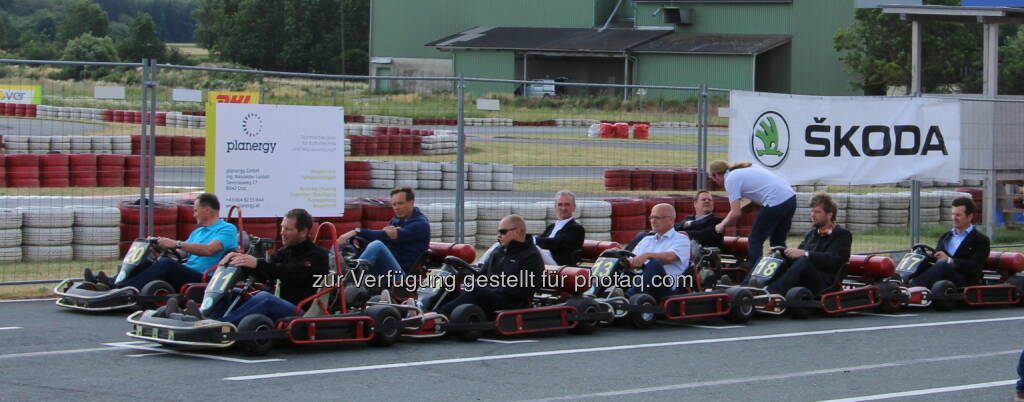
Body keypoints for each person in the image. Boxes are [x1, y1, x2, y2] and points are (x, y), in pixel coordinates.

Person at [174, 208, 330, 323]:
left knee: (265, 298)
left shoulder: (318, 256)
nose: (282, 232)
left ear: (303, 232)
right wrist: (242, 261)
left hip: (302, 312)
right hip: (282, 303)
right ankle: (203, 317)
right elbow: (268, 273)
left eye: (287, 229)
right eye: (282, 227)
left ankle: (223, 325)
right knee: (232, 292)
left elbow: (293, 274)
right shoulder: (286, 252)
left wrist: (257, 263)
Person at [84, 193, 238, 291]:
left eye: (196, 210)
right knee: (149, 261)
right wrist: (159, 245)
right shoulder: (198, 231)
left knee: (167, 264)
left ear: (207, 210)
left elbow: (209, 250)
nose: (193, 214)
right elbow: (182, 252)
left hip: (206, 278)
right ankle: (109, 282)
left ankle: (123, 289)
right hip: (187, 270)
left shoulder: (227, 229)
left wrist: (176, 243)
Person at [436, 215, 543, 317]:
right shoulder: (498, 251)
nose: (499, 236)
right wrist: (465, 276)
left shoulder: (531, 256)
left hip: (512, 302)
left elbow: (522, 290)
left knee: (476, 292)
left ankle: (438, 316)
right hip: (492, 295)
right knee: (452, 283)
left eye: (503, 232)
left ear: (519, 232)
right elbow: (481, 275)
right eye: (499, 232)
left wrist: (487, 288)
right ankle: (428, 309)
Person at [709, 160, 796, 278]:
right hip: (790, 198)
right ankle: (785, 274)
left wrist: (721, 225)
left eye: (714, 179)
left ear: (716, 175)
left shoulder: (730, 179)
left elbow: (735, 213)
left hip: (775, 201)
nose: (717, 182)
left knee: (754, 240)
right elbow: (759, 194)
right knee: (777, 243)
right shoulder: (747, 168)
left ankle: (754, 277)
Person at [764, 192, 851, 296]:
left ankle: (771, 292)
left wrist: (805, 254)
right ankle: (755, 286)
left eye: (817, 212)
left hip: (826, 283)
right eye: (812, 211)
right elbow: (797, 257)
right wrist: (783, 253)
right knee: (777, 258)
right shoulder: (811, 234)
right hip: (807, 276)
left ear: (829, 214)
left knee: (803, 261)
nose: (812, 215)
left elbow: (834, 260)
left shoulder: (841, 234)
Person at [337, 187, 430, 280]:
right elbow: (384, 236)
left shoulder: (420, 224)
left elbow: (384, 236)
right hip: (385, 269)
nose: (396, 207)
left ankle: (350, 279)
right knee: (344, 242)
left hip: (401, 276)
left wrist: (356, 231)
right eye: (394, 204)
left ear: (411, 202)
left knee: (377, 245)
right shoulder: (396, 220)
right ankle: (335, 273)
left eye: (400, 203)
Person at [909, 197, 990, 288]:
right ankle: (902, 280)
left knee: (943, 265)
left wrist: (949, 260)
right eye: (953, 214)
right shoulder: (945, 237)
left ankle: (911, 287)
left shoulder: (980, 240)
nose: (954, 218)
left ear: (969, 216)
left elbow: (975, 267)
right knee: (920, 257)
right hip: (942, 279)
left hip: (964, 281)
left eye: (958, 215)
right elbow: (936, 258)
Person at [627, 203, 691, 300]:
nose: (653, 221)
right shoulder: (646, 240)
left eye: (657, 217)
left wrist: (647, 255)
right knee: (617, 260)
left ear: (671, 219)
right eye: (651, 217)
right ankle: (598, 291)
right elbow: (634, 259)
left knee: (655, 263)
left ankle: (627, 297)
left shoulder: (681, 239)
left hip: (665, 288)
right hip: (640, 281)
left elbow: (670, 257)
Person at [535, 190, 585, 266]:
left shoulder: (576, 228)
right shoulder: (551, 227)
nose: (563, 208)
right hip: (544, 261)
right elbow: (541, 240)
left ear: (574, 207)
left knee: (534, 248)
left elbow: (556, 242)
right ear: (555, 207)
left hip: (560, 265)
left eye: (567, 204)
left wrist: (532, 240)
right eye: (560, 204)